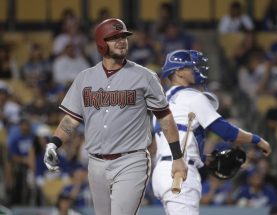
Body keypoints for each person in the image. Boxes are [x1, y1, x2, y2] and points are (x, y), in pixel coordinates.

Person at [43, 18, 188, 215]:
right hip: (96, 163)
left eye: (124, 37)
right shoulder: (85, 78)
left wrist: (177, 157)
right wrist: (54, 143)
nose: (122, 41)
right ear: (102, 43)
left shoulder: (145, 76)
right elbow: (71, 119)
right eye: (114, 38)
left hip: (131, 160)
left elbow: (165, 117)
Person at [151, 49, 272, 215]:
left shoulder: (164, 99)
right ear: (178, 72)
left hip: (163, 171)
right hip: (180, 172)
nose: (195, 70)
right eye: (190, 67)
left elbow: (177, 137)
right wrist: (257, 140)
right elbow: (227, 131)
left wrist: (202, 157)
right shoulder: (191, 96)